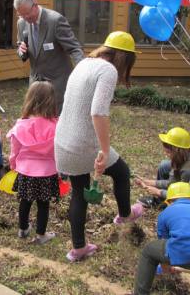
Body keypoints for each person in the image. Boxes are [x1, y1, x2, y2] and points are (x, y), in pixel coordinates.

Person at [55, 31, 143, 262]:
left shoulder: (85, 62)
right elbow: (98, 112)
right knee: (122, 172)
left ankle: (78, 248)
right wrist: (104, 150)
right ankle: (125, 215)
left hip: (63, 140)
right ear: (125, 58)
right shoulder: (108, 70)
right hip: (84, 143)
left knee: (79, 192)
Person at [7, 81, 60, 244]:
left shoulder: (21, 124)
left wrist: (13, 162)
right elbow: (58, 150)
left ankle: (23, 229)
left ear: (29, 99)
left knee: (25, 200)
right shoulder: (55, 126)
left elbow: (14, 148)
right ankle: (41, 235)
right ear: (51, 100)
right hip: (47, 171)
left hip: (26, 170)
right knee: (43, 204)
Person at [14, 0, 84, 112]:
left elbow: (74, 48)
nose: (25, 18)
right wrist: (21, 51)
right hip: (35, 86)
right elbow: (21, 48)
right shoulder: (22, 23)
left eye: (27, 14)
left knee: (56, 123)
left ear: (35, 5)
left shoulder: (55, 21)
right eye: (21, 15)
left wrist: (84, 71)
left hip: (57, 85)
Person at [136, 127, 190, 208]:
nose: (166, 154)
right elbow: (172, 183)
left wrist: (158, 192)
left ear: (177, 151)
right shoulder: (185, 155)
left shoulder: (189, 170)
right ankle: (160, 201)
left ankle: (170, 204)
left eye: (168, 152)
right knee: (164, 165)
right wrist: (150, 182)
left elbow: (182, 194)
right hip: (188, 187)